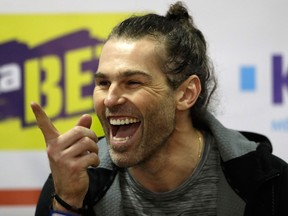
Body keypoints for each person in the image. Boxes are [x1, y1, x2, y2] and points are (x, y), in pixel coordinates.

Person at [32, 1, 288, 216]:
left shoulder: (268, 183)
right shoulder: (72, 180)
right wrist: (68, 203)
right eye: (103, 83)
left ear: (186, 94)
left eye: (132, 82)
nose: (109, 99)